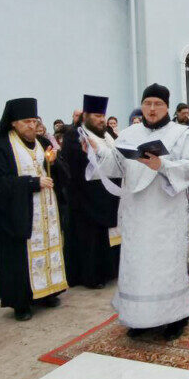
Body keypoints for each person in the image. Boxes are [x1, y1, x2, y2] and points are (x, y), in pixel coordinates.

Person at [84, 83, 189, 340]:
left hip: (166, 212)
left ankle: (175, 318)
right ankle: (140, 318)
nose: (151, 109)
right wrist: (97, 152)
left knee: (167, 266)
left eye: (157, 104)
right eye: (147, 103)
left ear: (167, 107)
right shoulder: (129, 134)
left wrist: (162, 165)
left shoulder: (182, 134)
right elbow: (117, 166)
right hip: (136, 212)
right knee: (138, 265)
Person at [0, 98, 68, 321]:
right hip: (19, 214)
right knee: (20, 259)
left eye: (34, 121)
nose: (32, 126)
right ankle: (21, 303)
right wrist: (32, 183)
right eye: (26, 122)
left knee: (50, 250)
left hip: (46, 211)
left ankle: (49, 292)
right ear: (13, 123)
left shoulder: (43, 142)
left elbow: (60, 173)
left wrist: (54, 162)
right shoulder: (1, 146)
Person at [60, 96, 121, 289]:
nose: (102, 120)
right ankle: (91, 276)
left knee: (107, 236)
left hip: (108, 195)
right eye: (97, 116)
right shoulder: (74, 135)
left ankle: (110, 271)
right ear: (86, 116)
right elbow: (74, 165)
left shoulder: (107, 134)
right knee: (90, 238)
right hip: (85, 197)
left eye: (103, 116)